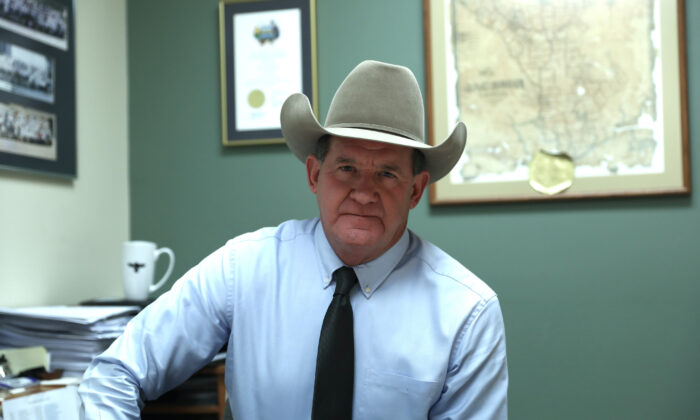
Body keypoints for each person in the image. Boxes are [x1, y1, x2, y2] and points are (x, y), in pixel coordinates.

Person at [78, 60, 508, 419]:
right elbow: (116, 372)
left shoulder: (467, 313)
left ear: (415, 190)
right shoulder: (243, 269)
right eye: (346, 168)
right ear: (314, 175)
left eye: (387, 173)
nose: (363, 191)